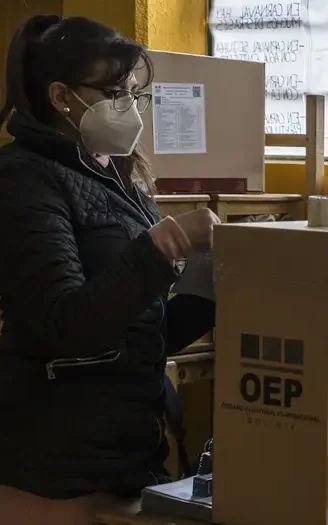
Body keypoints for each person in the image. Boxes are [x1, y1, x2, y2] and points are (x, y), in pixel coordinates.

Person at [0, 15, 219, 522]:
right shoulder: (23, 180)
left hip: (128, 449)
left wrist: (213, 291)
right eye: (115, 91)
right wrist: (168, 243)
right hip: (56, 466)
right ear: (61, 97)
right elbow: (66, 324)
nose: (130, 107)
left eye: (133, 93)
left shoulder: (114, 176)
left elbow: (139, 334)